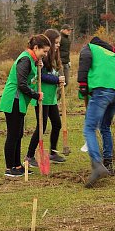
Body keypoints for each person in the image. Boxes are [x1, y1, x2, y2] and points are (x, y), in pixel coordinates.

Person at [0, 34, 50, 177]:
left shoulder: (31, 60)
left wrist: (38, 65)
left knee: (19, 134)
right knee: (13, 134)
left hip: (20, 102)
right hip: (13, 100)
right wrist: (36, 95)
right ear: (35, 48)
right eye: (43, 51)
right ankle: (9, 168)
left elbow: (30, 77)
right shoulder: (25, 60)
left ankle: (17, 165)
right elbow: (21, 84)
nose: (45, 55)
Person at [78, 36, 115, 187]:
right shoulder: (110, 53)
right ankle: (108, 163)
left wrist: (83, 84)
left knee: (89, 128)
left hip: (103, 89)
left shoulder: (89, 48)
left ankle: (97, 165)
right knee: (105, 127)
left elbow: (84, 61)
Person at [25, 29, 66, 167]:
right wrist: (56, 79)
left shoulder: (54, 57)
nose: (58, 45)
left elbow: (54, 73)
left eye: (59, 43)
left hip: (51, 96)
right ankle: (29, 156)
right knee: (41, 127)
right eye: (56, 43)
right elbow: (42, 76)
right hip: (42, 96)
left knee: (57, 123)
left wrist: (60, 80)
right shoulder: (42, 58)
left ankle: (53, 153)